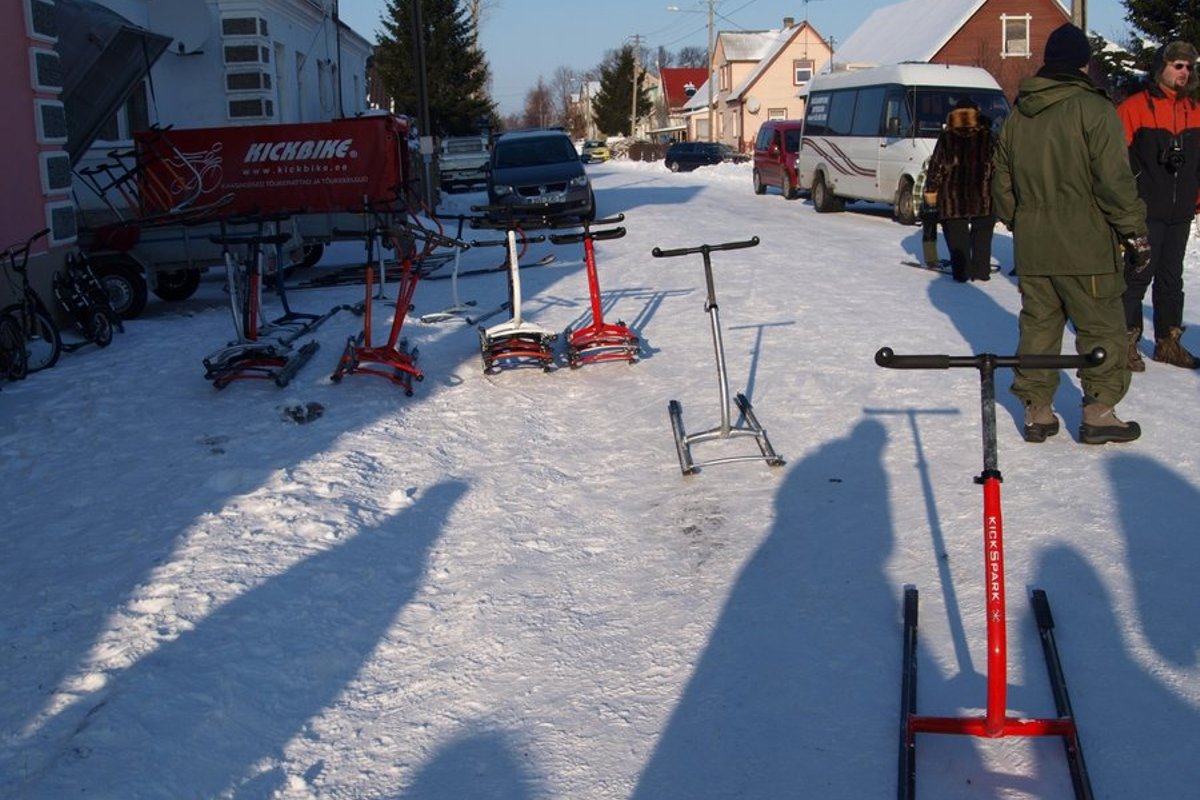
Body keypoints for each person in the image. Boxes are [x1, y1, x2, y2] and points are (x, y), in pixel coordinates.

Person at [991, 23, 1151, 445]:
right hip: (1087, 245)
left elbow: (1001, 182)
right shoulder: (1094, 110)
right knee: (1101, 327)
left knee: (1039, 326)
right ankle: (1098, 412)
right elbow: (1115, 182)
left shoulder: (1018, 114)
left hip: (1035, 245)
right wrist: (1134, 233)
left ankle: (1037, 412)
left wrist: (1021, 220)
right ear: (1083, 63)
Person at [1116, 41, 1200, 370]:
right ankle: (1126, 340)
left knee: (1171, 279)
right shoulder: (1135, 107)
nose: (1184, 72)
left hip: (1180, 212)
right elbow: (1115, 161)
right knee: (1137, 275)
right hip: (1144, 210)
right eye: (1178, 65)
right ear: (1161, 67)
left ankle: (1168, 341)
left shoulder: (1194, 108)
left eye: (1189, 66)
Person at [923, 99, 996, 282]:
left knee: (957, 236)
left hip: (953, 197)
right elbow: (997, 166)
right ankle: (981, 270)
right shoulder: (988, 136)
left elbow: (936, 168)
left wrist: (931, 190)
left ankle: (961, 272)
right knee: (983, 235)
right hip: (984, 195)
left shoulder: (946, 138)